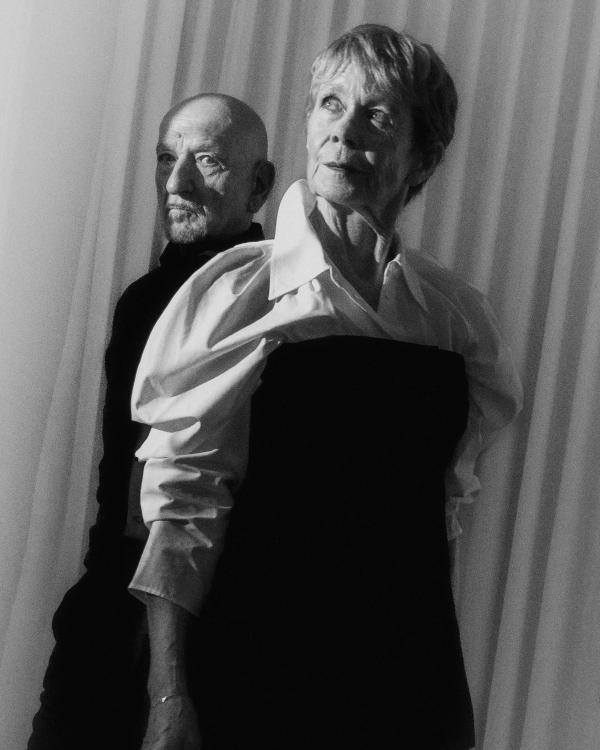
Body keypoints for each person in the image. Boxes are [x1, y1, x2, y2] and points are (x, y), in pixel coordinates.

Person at [131, 25, 522, 750]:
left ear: (423, 156)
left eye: (378, 115)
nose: (345, 132)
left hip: (407, 683)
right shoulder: (235, 295)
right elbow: (183, 510)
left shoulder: (457, 319)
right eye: (331, 105)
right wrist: (168, 695)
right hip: (257, 670)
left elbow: (439, 512)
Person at [27, 93, 275, 750]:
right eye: (167, 158)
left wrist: (171, 682)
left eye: (207, 161)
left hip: (212, 627)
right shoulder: (141, 299)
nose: (176, 182)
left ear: (260, 185)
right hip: (107, 612)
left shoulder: (275, 299)